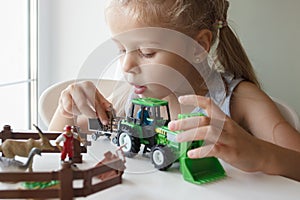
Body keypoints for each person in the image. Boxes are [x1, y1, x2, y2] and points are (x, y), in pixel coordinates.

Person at [48, 0, 300, 181]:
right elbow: (54, 148)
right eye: (120, 50)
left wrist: (258, 153)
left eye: (147, 52)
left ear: (198, 46)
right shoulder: (129, 97)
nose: (126, 66)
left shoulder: (239, 101)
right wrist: (66, 109)